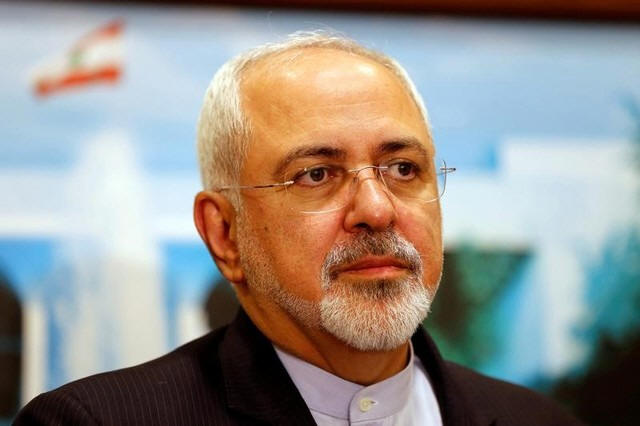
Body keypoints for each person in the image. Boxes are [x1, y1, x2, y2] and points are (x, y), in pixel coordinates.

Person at [15, 31, 582, 425]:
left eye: (403, 169)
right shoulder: (94, 422)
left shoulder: (540, 421)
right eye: (316, 174)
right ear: (225, 234)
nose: (377, 209)